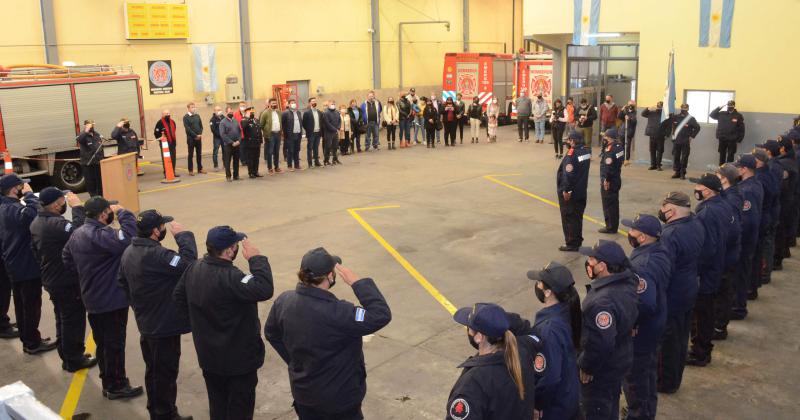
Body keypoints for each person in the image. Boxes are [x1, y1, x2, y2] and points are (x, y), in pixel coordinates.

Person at [265, 248, 391, 420]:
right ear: (330, 276)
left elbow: (271, 334)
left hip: (305, 395)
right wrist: (358, 283)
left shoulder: (284, 301)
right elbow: (381, 314)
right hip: (339, 401)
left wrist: (296, 362)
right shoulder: (340, 312)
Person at [174, 227, 274, 420]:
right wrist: (256, 259)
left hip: (209, 356)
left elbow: (178, 297)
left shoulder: (194, 268)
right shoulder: (233, 277)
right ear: (229, 251)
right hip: (238, 361)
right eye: (235, 245)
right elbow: (264, 289)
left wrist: (199, 325)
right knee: (239, 409)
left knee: (217, 404)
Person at [118, 210, 196, 420]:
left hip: (147, 321)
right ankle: (165, 414)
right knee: (165, 372)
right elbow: (188, 264)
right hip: (163, 325)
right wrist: (184, 237)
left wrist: (138, 306)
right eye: (162, 227)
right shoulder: (157, 255)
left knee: (153, 369)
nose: (163, 230)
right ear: (154, 231)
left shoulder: (129, 251)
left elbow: (122, 281)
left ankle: (157, 410)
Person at [63, 197, 143, 400]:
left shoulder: (77, 233)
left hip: (92, 297)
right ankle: (116, 385)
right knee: (114, 344)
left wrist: (86, 275)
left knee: (103, 343)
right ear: (102, 214)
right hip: (111, 300)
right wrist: (123, 212)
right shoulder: (101, 235)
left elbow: (66, 258)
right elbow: (130, 237)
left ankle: (108, 380)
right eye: (109, 211)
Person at [30, 188, 96, 371]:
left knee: (62, 318)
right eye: (62, 201)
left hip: (52, 277)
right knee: (72, 320)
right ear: (57, 204)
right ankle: (74, 358)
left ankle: (66, 355)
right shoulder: (55, 224)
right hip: (65, 280)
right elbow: (80, 232)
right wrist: (77, 208)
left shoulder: (37, 221)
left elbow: (34, 250)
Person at [577, 240, 639, 420]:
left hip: (604, 368)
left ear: (602, 266)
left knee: (597, 409)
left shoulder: (602, 302)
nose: (588, 263)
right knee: (610, 402)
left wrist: (587, 366)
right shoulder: (628, 282)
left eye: (591, 260)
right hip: (621, 357)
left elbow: (601, 343)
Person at [620, 215, 671, 420]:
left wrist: (631, 322)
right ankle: (646, 412)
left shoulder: (642, 265)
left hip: (642, 334)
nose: (628, 233)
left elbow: (645, 303)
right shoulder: (660, 251)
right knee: (648, 376)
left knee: (635, 380)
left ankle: (638, 414)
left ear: (642, 237)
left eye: (632, 230)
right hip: (656, 325)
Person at [0, 174, 56, 355]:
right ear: (14, 189)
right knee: (31, 305)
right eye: (21, 187)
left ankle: (28, 337)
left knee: (21, 303)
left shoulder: (5, 207)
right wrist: (30, 196)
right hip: (25, 264)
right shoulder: (12, 210)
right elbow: (32, 214)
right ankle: (32, 342)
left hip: (14, 263)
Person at [447, 303, 531, 420]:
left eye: (469, 328)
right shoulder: (519, 357)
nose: (467, 331)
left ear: (479, 337)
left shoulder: (473, 384)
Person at [656, 192, 704, 393]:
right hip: (689, 287)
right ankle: (675, 378)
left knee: (668, 342)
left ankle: (666, 383)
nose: (661, 210)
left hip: (673, 295)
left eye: (664, 206)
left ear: (672, 210)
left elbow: (664, 270)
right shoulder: (695, 223)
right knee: (681, 336)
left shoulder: (670, 235)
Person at [525, 262, 581, 420]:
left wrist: (537, 404)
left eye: (539, 283)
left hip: (555, 408)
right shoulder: (567, 311)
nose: (536, 286)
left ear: (548, 292)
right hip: (568, 395)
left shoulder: (549, 330)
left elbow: (550, 376)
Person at [687, 173, 731, 367]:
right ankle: (703, 347)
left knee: (701, 313)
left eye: (699, 187)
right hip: (718, 265)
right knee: (707, 310)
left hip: (706, 272)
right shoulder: (723, 205)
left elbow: (706, 247)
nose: (696, 190)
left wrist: (695, 270)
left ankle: (700, 352)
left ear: (707, 191)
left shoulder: (706, 212)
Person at [711, 165, 743, 343]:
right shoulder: (729, 196)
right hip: (726, 253)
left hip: (725, 255)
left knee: (723, 290)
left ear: (724, 179)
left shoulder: (730, 201)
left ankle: (718, 326)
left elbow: (730, 232)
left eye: (718, 175)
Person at [730, 154, 763, 320]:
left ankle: (737, 308)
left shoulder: (747, 191)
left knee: (740, 274)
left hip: (745, 240)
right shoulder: (752, 184)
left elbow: (747, 221)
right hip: (749, 238)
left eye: (738, 166)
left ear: (744, 169)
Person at [752, 143, 782, 288]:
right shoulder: (768, 172)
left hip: (766, 216)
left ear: (758, 161)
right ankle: (761, 275)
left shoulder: (762, 178)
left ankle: (763, 275)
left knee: (764, 247)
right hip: (770, 213)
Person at [557, 131, 591, 251]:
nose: (567, 142)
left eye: (569, 140)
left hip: (572, 192)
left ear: (573, 141)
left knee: (569, 217)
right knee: (577, 217)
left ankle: (571, 243)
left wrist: (567, 190)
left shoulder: (572, 154)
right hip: (581, 190)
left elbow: (569, 175)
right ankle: (577, 240)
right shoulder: (587, 151)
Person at [772, 137, 798, 271]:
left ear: (783, 148)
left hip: (785, 200)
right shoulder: (789, 160)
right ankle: (783, 251)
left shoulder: (784, 165)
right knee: (784, 227)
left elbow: (781, 186)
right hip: (789, 199)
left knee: (780, 229)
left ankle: (777, 259)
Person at [599, 129, 625, 234]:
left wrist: (606, 180)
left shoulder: (610, 150)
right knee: (614, 204)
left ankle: (610, 227)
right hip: (616, 178)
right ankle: (614, 225)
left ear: (609, 138)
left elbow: (608, 167)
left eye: (605, 137)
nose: (603, 139)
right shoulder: (619, 147)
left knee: (608, 204)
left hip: (609, 181)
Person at [669, 104, 701, 180]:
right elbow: (672, 125)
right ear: (681, 108)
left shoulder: (691, 119)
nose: (684, 109)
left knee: (684, 158)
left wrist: (691, 136)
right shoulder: (675, 117)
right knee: (676, 157)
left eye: (685, 108)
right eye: (682, 108)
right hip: (676, 141)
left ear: (688, 109)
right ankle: (677, 172)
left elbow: (697, 128)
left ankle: (683, 173)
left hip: (685, 141)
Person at [709, 100, 745, 165]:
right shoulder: (721, 114)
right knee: (722, 155)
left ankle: (728, 171)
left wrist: (739, 139)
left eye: (731, 106)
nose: (729, 107)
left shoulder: (738, 116)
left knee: (730, 156)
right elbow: (711, 115)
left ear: (734, 106)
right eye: (728, 105)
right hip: (722, 138)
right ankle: (721, 170)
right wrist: (719, 108)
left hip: (732, 139)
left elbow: (742, 129)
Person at [77, 119, 105, 196]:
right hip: (88, 164)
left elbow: (100, 147)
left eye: (92, 125)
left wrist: (102, 159)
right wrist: (86, 130)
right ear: (85, 126)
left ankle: (101, 197)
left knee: (100, 182)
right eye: (90, 125)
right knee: (91, 183)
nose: (92, 126)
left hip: (97, 163)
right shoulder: (82, 135)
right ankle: (94, 198)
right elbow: (80, 140)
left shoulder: (97, 134)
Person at [641, 102, 668, 171]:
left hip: (660, 135)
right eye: (658, 106)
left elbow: (669, 125)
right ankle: (653, 165)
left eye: (660, 106)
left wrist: (667, 134)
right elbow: (643, 114)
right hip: (652, 134)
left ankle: (658, 165)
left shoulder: (665, 114)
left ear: (662, 107)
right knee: (652, 150)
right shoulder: (651, 112)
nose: (658, 108)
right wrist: (648, 108)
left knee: (660, 150)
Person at [259, 99, 282, 175]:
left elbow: (280, 122)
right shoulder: (265, 113)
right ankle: (270, 168)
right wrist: (266, 133)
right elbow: (261, 124)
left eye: (275, 103)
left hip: (278, 134)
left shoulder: (278, 112)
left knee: (276, 152)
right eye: (272, 103)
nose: (274, 104)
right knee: (270, 152)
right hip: (270, 135)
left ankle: (276, 167)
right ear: (269, 104)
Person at [154, 110, 179, 178]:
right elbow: (156, 133)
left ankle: (173, 172)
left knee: (173, 158)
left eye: (169, 113)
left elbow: (174, 130)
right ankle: (166, 173)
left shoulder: (172, 122)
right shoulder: (159, 123)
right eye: (166, 114)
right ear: (163, 115)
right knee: (166, 159)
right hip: (164, 144)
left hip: (172, 143)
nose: (168, 115)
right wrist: (161, 139)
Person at [219, 107, 242, 181]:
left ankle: (236, 176)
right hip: (228, 145)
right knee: (227, 161)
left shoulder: (235, 121)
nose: (231, 114)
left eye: (232, 112)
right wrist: (232, 142)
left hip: (237, 144)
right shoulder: (223, 122)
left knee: (236, 160)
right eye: (230, 112)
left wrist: (239, 140)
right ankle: (228, 176)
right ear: (226, 113)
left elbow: (239, 131)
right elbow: (223, 134)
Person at [183, 102, 205, 176]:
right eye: (192, 107)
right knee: (191, 154)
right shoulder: (186, 117)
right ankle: (190, 170)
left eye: (194, 107)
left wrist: (200, 134)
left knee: (199, 154)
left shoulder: (197, 116)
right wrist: (195, 135)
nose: (193, 108)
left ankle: (200, 169)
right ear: (188, 108)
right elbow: (188, 129)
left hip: (199, 138)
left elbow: (201, 126)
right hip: (191, 139)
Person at [241, 107, 263, 178]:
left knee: (256, 158)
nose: (252, 113)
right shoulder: (244, 120)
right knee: (250, 158)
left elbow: (259, 130)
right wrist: (248, 117)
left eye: (253, 112)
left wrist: (260, 140)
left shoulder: (256, 120)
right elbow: (243, 126)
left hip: (257, 142)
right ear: (246, 112)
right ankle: (251, 173)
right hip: (249, 143)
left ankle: (256, 171)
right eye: (250, 112)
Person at [281, 99, 303, 171]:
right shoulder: (285, 113)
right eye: (292, 103)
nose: (293, 104)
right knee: (290, 150)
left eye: (294, 103)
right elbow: (283, 124)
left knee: (297, 150)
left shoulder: (298, 112)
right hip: (290, 135)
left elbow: (300, 123)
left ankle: (297, 165)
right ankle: (290, 166)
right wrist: (285, 133)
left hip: (298, 134)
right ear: (289, 105)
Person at [303, 97, 323, 168]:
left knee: (316, 148)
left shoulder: (319, 112)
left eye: (315, 101)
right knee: (310, 148)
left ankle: (317, 162)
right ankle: (310, 163)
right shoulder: (307, 113)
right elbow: (304, 123)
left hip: (318, 133)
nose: (314, 102)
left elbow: (321, 122)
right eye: (312, 101)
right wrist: (309, 130)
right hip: (311, 133)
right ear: (310, 103)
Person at [322, 100, 342, 165]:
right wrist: (335, 129)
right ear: (328, 105)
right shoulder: (326, 113)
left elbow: (339, 120)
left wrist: (338, 128)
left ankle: (335, 159)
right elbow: (327, 123)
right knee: (328, 147)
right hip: (328, 133)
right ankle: (326, 160)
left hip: (335, 132)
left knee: (335, 146)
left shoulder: (337, 112)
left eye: (333, 104)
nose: (333, 105)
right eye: (331, 104)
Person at [618, 100, 638, 164]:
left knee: (627, 146)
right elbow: (619, 117)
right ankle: (621, 158)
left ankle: (626, 159)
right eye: (629, 104)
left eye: (632, 104)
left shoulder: (635, 112)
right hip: (622, 131)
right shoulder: (625, 111)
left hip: (629, 132)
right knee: (621, 145)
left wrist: (629, 119)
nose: (630, 106)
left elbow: (634, 121)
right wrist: (621, 110)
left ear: (634, 105)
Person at [209, 106, 224, 171]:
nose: (219, 111)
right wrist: (220, 135)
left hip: (224, 138)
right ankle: (216, 166)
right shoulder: (212, 120)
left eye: (220, 109)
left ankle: (225, 165)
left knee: (225, 151)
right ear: (214, 111)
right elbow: (213, 130)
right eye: (218, 110)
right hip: (217, 138)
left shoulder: (223, 117)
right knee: (215, 152)